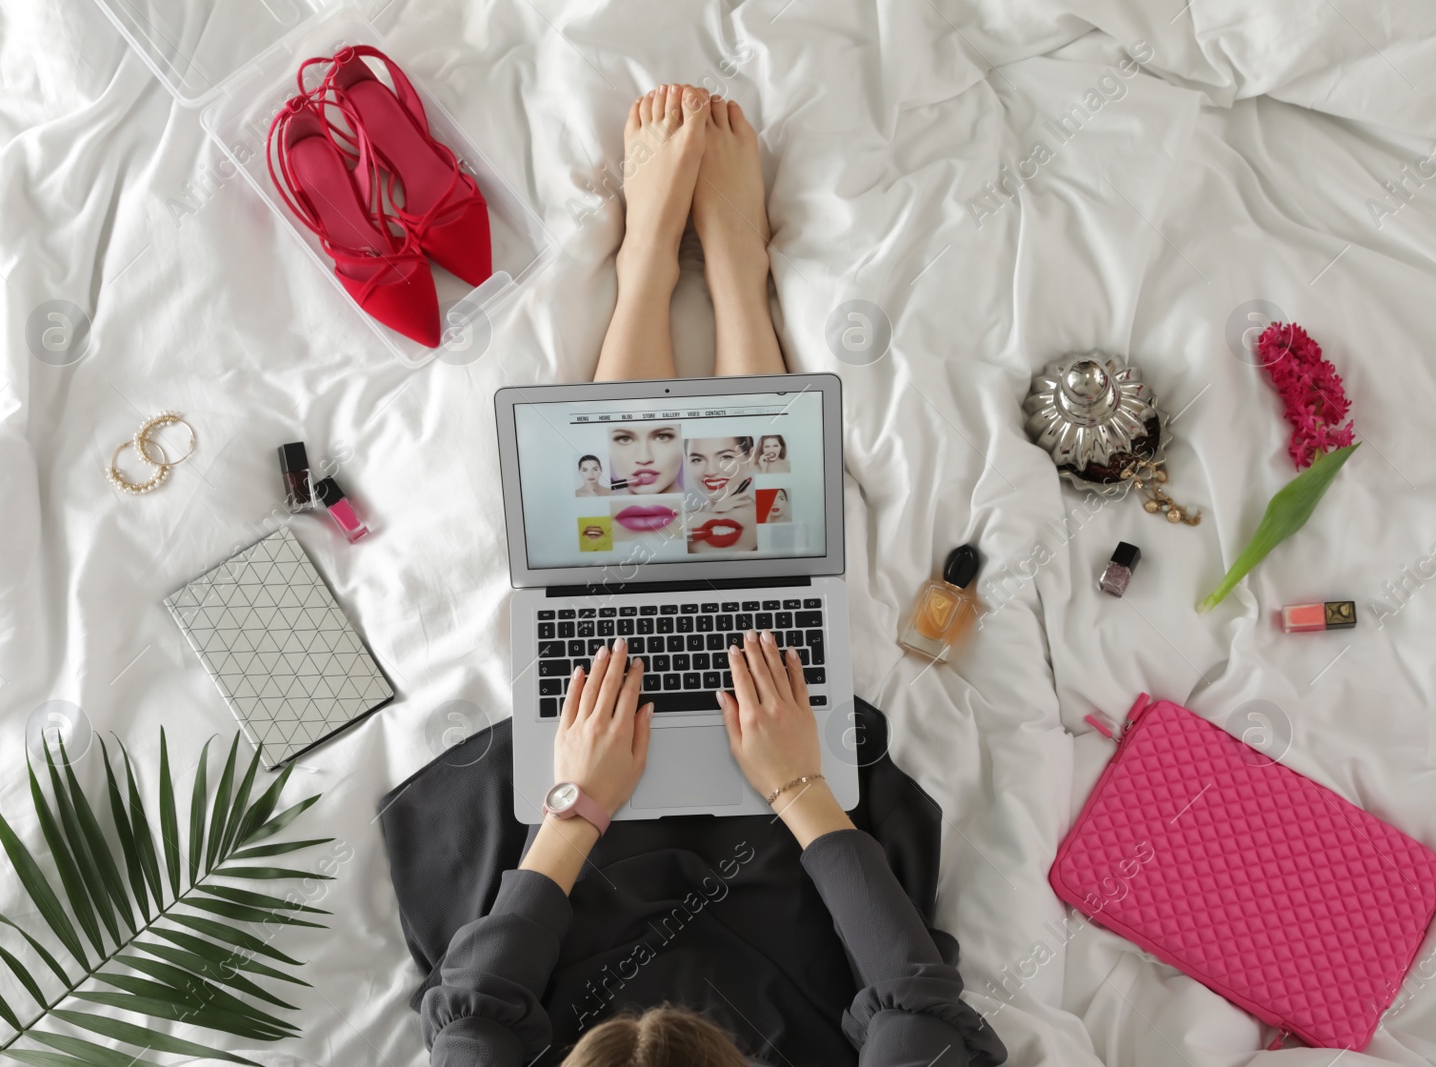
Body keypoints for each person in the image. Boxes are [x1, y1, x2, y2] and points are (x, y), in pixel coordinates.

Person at [420, 85, 1004, 1067]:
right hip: (799, 958)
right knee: (760, 604)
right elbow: (918, 1004)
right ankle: (737, 273)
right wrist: (801, 783)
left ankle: (647, 266)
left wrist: (576, 804)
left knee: (611, 598)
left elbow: (477, 1008)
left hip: (575, 924)